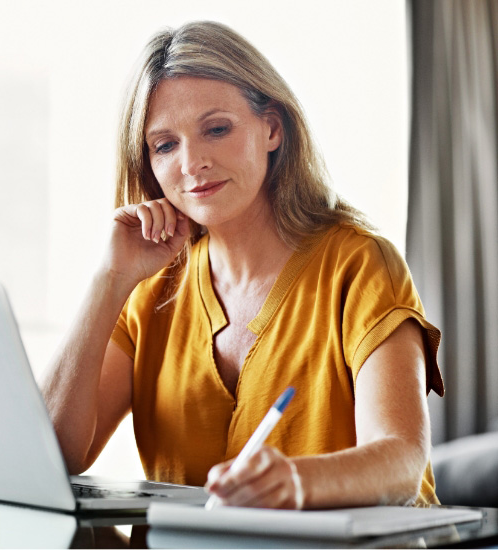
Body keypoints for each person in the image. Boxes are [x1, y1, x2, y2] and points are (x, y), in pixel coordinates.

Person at [42, 20, 444, 510]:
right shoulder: (150, 286)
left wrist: (296, 482)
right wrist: (108, 281)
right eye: (165, 145)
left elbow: (402, 460)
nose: (192, 163)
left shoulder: (360, 264)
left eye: (216, 129)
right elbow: (55, 453)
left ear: (271, 128)